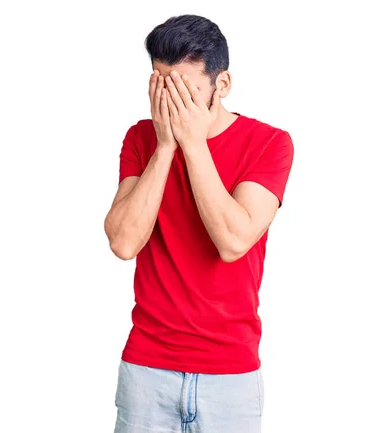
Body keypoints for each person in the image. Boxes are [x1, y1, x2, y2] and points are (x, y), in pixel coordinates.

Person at [104, 14, 294, 433]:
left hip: (230, 376)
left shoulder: (270, 143)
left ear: (221, 85)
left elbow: (233, 239)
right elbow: (122, 241)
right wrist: (167, 145)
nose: (170, 100)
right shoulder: (142, 138)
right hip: (147, 371)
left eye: (184, 88)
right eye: (160, 83)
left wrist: (193, 143)